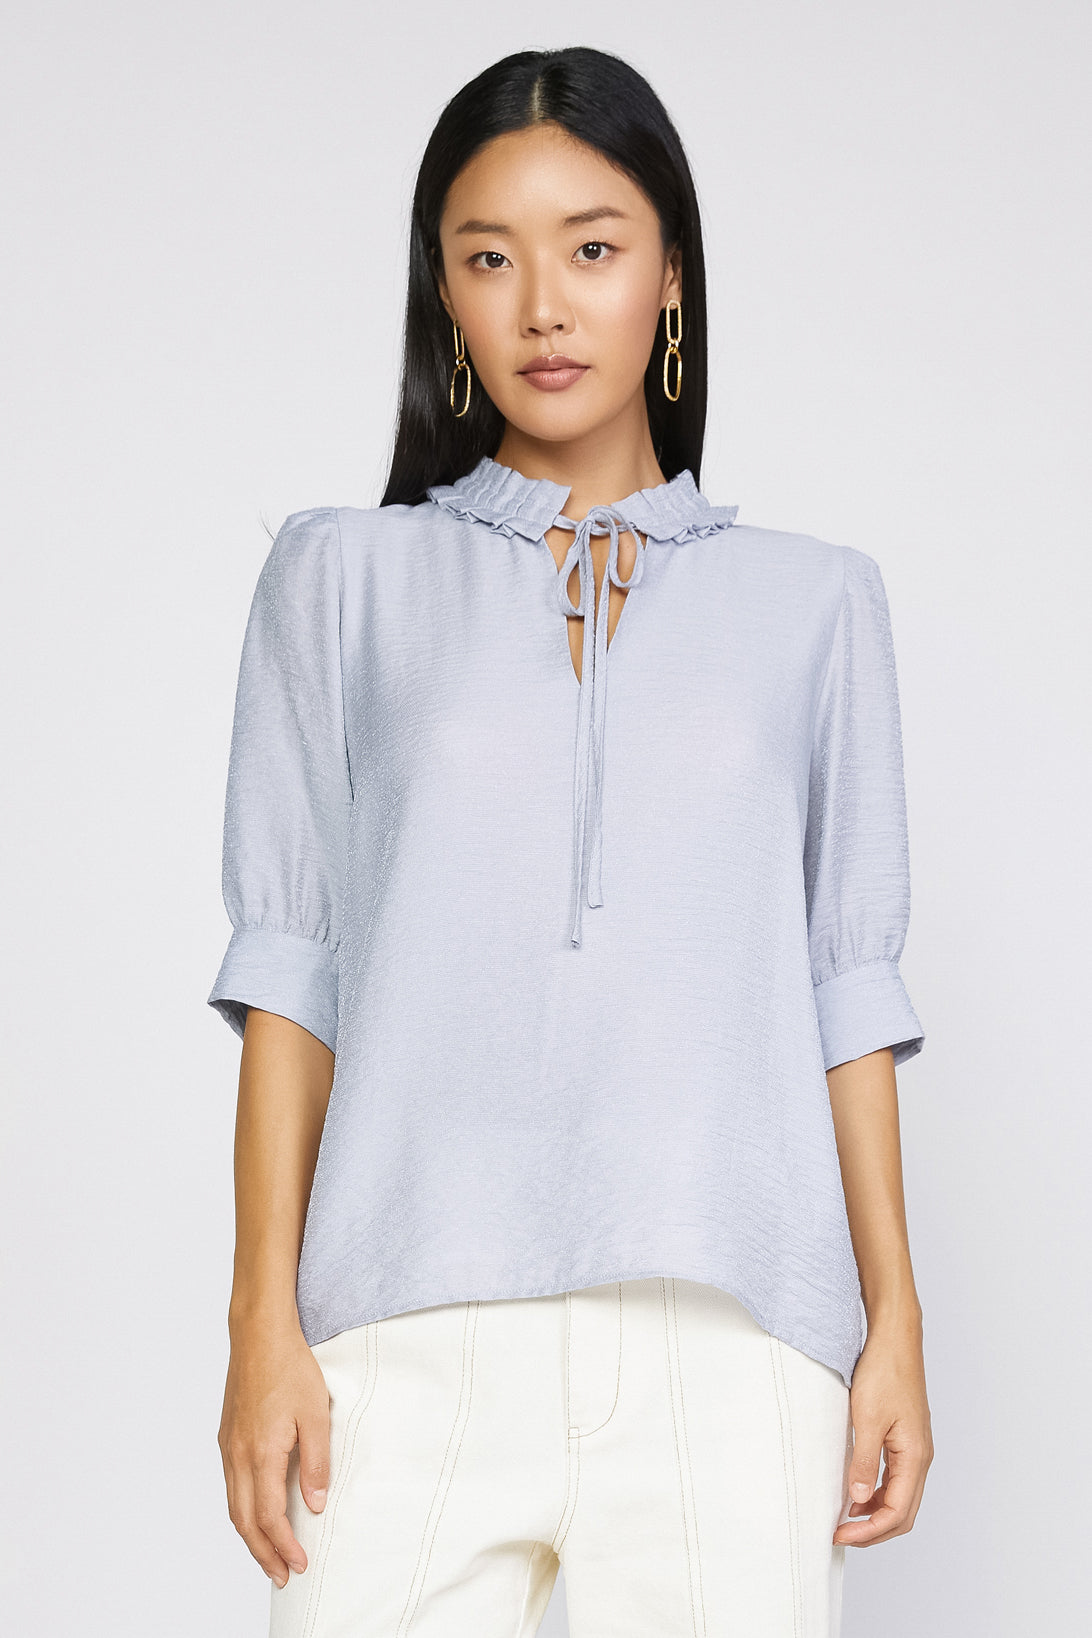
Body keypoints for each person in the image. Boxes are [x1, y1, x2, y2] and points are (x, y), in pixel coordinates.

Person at [210, 44, 933, 1638]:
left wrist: (894, 1320)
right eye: (490, 258)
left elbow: (846, 991)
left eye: (592, 248)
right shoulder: (342, 581)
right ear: (445, 295)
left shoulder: (817, 605)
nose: (543, 305)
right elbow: (292, 973)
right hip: (400, 1326)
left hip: (729, 1334)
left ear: (670, 274)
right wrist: (262, 1319)